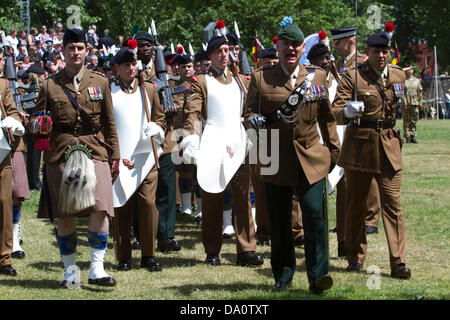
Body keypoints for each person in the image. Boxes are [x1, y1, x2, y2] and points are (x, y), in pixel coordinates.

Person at [244, 21, 340, 294]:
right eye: (285, 44)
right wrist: (254, 121)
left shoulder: (317, 77)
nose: (291, 49)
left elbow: (326, 117)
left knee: (314, 216)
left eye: (296, 45)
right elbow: (247, 114)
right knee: (279, 219)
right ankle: (283, 275)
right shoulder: (262, 78)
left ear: (302, 48)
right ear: (277, 46)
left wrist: (333, 150)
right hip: (275, 156)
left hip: (310, 156)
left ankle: (318, 275)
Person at [29, 28, 120, 288]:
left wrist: (115, 155)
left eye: (80, 47)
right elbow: (36, 118)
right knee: (64, 213)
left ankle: (96, 269)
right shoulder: (50, 84)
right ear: (63, 51)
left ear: (87, 50)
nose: (76, 52)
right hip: (60, 151)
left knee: (101, 208)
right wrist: (37, 123)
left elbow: (109, 122)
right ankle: (70, 271)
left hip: (95, 150)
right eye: (71, 48)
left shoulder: (100, 81)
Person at [332, 32, 411, 279]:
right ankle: (355, 257)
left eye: (384, 52)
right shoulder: (353, 76)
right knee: (356, 205)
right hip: (360, 147)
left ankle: (398, 262)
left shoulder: (397, 75)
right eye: (376, 51)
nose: (380, 56)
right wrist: (347, 110)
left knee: (393, 204)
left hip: (388, 146)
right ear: (367, 52)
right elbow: (334, 111)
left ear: (389, 53)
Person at [182, 33, 264, 268]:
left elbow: (249, 108)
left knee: (242, 198)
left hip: (239, 141)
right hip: (213, 141)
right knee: (212, 199)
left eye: (227, 50)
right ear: (210, 56)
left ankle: (246, 249)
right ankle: (212, 250)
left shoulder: (241, 79)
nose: (223, 55)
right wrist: (191, 139)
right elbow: (193, 113)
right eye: (218, 51)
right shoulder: (202, 81)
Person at [111, 42, 166, 272]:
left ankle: (148, 254)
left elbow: (161, 118)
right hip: (121, 157)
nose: (131, 68)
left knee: (148, 204)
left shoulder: (149, 90)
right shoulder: (109, 91)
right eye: (126, 65)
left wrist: (158, 128)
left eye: (133, 64)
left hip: (146, 156)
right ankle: (124, 255)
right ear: (117, 68)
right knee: (122, 206)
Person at [330, 26, 381, 251]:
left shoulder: (363, 62)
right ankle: (347, 230)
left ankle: (370, 220)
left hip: (367, 130)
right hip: (348, 127)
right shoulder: (341, 66)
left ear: (350, 41)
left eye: (339, 42)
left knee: (366, 179)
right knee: (348, 182)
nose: (335, 46)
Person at [0, 47, 26, 276]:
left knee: (4, 202)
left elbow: (13, 110)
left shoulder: (2, 86)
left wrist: (15, 121)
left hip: (1, 152)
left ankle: (4, 257)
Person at [402, 65, 423, 143]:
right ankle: (407, 136)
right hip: (406, 103)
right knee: (406, 120)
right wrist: (404, 101)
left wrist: (420, 102)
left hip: (414, 103)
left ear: (412, 71)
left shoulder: (417, 80)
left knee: (414, 120)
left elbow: (419, 92)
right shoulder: (403, 80)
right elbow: (401, 92)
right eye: (407, 70)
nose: (409, 71)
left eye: (410, 70)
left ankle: (413, 136)